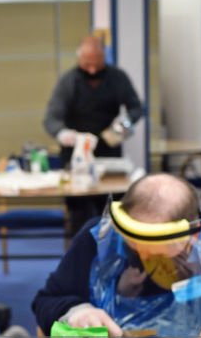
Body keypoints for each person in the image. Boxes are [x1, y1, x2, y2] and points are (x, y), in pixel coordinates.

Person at [32, 173, 201, 338]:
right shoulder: (98, 239)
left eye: (158, 250)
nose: (144, 258)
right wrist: (76, 311)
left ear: (193, 237)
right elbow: (45, 302)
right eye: (135, 245)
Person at [44, 35, 144, 234]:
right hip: (76, 155)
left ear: (104, 58)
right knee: (80, 213)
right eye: (87, 64)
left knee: (113, 211)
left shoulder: (118, 78)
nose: (92, 70)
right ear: (79, 59)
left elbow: (136, 108)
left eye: (96, 64)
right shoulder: (69, 81)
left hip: (109, 153)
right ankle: (81, 254)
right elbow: (51, 119)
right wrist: (62, 133)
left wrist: (124, 124)